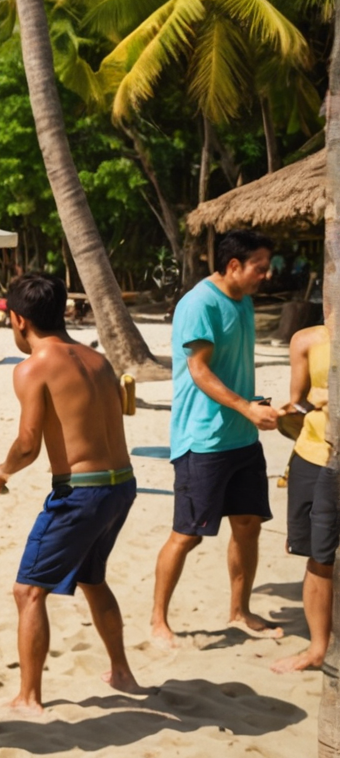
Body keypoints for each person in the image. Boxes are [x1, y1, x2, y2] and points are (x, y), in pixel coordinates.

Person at [0, 274, 146, 710]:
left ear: (19, 320)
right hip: (121, 484)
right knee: (92, 578)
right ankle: (121, 671)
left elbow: (27, 445)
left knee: (28, 591)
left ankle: (28, 697)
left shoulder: (33, 367)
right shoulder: (98, 360)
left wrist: (2, 472)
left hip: (81, 493)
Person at [151, 229, 282, 647]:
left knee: (247, 526)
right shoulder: (199, 303)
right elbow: (199, 371)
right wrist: (246, 407)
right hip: (203, 441)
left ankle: (239, 611)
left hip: (242, 439)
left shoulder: (243, 301)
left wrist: (255, 404)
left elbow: (231, 367)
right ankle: (158, 620)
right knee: (187, 534)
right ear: (233, 265)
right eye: (260, 267)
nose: (266, 275)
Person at [278, 321, 335, 674]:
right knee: (316, 553)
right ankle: (317, 648)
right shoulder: (307, 340)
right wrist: (306, 405)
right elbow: (297, 403)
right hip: (312, 455)